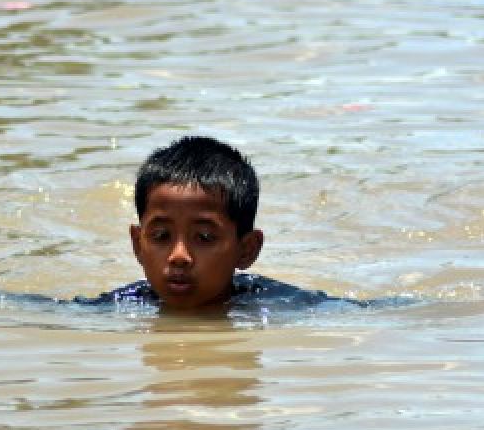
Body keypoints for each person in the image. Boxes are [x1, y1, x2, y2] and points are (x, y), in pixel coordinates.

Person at [74, 135, 410, 315]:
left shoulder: (281, 307)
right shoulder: (120, 306)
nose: (178, 256)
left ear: (246, 250)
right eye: (161, 236)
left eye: (204, 237)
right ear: (137, 244)